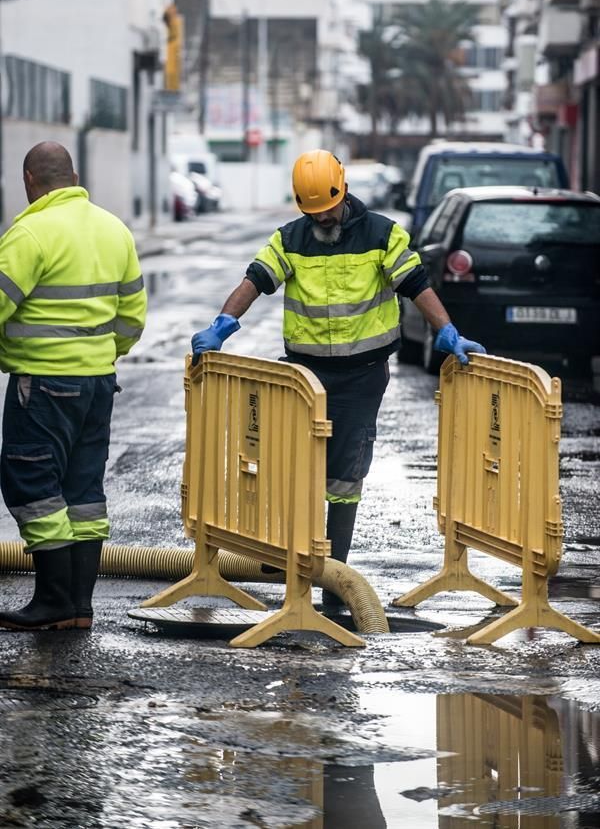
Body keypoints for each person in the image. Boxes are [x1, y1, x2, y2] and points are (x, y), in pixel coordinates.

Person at [191, 149, 485, 606]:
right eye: (312, 211)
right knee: (292, 467)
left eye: (327, 207)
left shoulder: (381, 234)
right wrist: (222, 325)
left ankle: (333, 578)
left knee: (345, 476)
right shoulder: (291, 238)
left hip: (362, 376)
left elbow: (417, 284)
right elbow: (255, 280)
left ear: (343, 191)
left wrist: (446, 331)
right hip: (304, 376)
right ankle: (291, 559)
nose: (322, 217)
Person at [0, 142, 147, 630]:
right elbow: (132, 319)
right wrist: (100, 355)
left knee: (33, 486)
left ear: (29, 180)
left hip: (41, 386)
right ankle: (79, 608)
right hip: (97, 385)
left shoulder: (29, 234)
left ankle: (53, 601)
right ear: (74, 175)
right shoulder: (114, 230)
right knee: (83, 493)